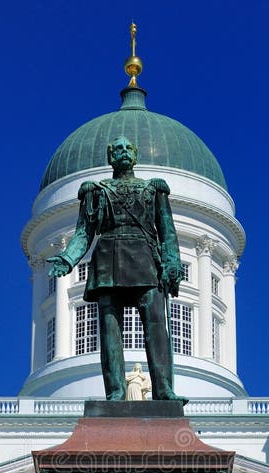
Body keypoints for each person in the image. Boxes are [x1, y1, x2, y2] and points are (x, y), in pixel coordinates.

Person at [47, 136, 185, 403]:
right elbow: (84, 233)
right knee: (110, 329)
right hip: (108, 258)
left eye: (127, 148)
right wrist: (67, 259)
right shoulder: (96, 191)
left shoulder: (153, 190)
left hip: (145, 257)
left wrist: (171, 263)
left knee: (156, 327)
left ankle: (164, 389)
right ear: (110, 156)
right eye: (117, 149)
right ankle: (115, 392)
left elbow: (167, 232)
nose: (122, 152)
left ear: (135, 155)